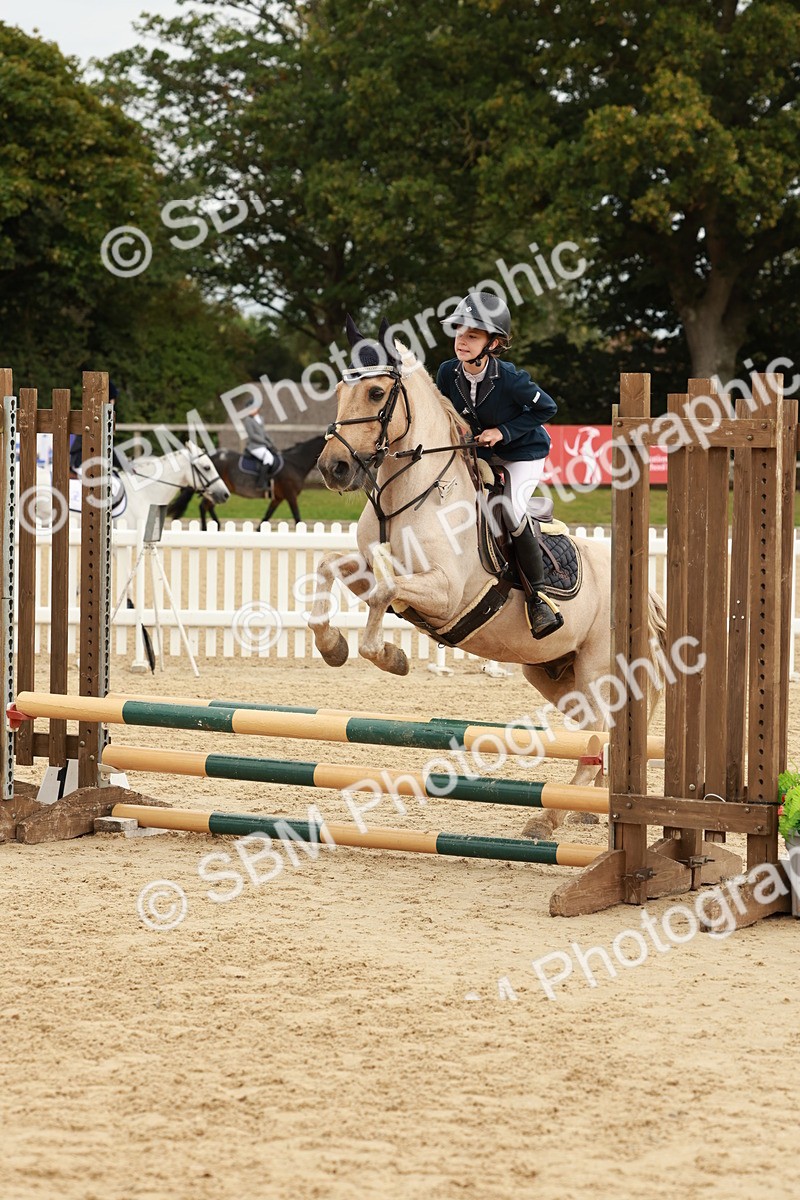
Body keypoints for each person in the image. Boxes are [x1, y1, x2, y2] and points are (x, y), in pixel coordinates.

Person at [435, 292, 563, 640]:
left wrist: (503, 431)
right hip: (481, 455)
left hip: (522, 453)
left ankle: (538, 598)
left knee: (511, 509)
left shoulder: (510, 378)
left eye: (472, 335)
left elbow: (547, 408)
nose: (462, 340)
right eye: (459, 332)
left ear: (492, 343)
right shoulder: (447, 372)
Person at [242, 407, 282, 493]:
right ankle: (260, 484)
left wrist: (271, 441)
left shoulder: (260, 418)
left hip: (262, 445)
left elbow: (264, 433)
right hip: (254, 446)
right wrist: (265, 442)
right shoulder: (248, 420)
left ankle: (270, 481)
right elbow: (252, 436)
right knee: (268, 458)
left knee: (273, 456)